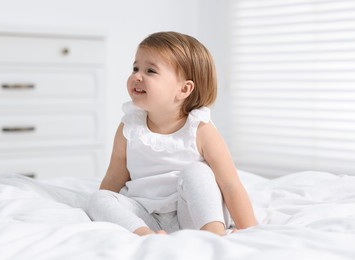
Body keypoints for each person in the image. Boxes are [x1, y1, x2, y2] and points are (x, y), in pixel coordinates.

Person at [87, 31, 257, 236]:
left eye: (150, 71)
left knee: (197, 172)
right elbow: (114, 179)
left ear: (184, 89)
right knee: (100, 198)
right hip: (148, 217)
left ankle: (214, 235)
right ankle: (146, 236)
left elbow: (230, 185)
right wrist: (107, 207)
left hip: (193, 215)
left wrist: (251, 230)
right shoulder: (129, 128)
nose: (136, 76)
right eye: (135, 68)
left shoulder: (200, 129)